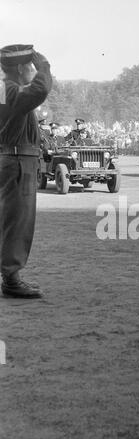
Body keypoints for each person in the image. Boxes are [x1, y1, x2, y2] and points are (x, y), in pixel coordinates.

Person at [0, 44, 52, 298]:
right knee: (18, 222)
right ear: (21, 68)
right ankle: (11, 279)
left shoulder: (7, 90)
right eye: (30, 66)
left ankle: (10, 275)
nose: (33, 70)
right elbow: (40, 90)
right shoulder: (10, 91)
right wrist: (45, 67)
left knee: (12, 220)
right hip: (18, 160)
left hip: (16, 158)